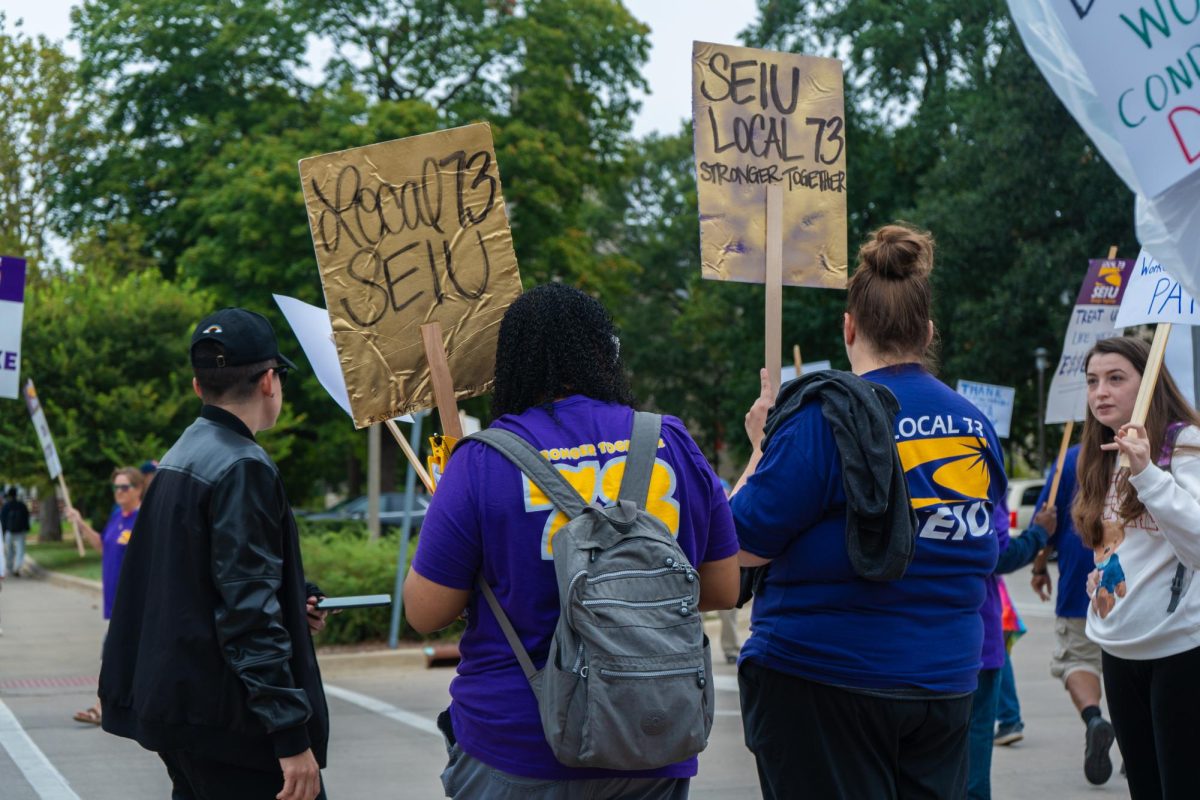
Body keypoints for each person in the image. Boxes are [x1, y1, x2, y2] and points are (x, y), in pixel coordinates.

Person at [404, 283, 740, 799]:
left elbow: (425, 613)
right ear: (605, 354)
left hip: (518, 742)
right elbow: (721, 589)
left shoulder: (480, 461)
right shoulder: (671, 440)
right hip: (651, 738)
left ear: (510, 363)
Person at [731, 224, 1007, 799]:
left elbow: (737, 545)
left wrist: (761, 447)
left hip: (825, 676)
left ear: (849, 327)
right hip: (946, 683)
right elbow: (987, 541)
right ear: (927, 331)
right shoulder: (973, 424)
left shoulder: (824, 417)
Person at [98, 307, 330, 800]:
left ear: (198, 387)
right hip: (235, 724)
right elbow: (247, 614)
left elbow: (196, 580)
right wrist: (290, 736)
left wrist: (292, 601)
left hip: (185, 714)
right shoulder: (243, 466)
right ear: (270, 381)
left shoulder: (183, 453)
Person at [1071, 335, 1200, 799]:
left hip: (1180, 651)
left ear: (1148, 384)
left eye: (1115, 379)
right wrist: (1102, 575)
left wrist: (1147, 471)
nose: (1100, 392)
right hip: (1119, 645)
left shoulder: (1183, 442)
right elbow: (1120, 546)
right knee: (1143, 787)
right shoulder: (1100, 453)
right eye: (1092, 381)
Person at [1029, 443, 1118, 785]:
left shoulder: (1070, 458)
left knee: (1077, 659)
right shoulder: (1150, 447)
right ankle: (1136, 741)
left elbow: (1047, 519)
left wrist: (1039, 567)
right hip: (1134, 577)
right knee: (1135, 663)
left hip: (1081, 574)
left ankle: (1094, 719)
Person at [63, 467, 144, 725]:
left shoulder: (143, 520)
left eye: (124, 487)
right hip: (115, 601)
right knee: (125, 657)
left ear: (138, 489)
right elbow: (102, 545)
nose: (119, 492)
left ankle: (101, 708)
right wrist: (79, 522)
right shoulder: (117, 516)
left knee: (111, 654)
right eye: (116, 487)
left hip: (134, 603)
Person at [1, 488, 31, 578]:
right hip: (20, 532)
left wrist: (3, 532)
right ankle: (17, 567)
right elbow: (26, 518)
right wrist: (26, 528)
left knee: (9, 550)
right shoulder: (22, 505)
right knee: (20, 550)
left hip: (9, 532)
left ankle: (10, 567)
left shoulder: (6, 506)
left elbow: (3, 520)